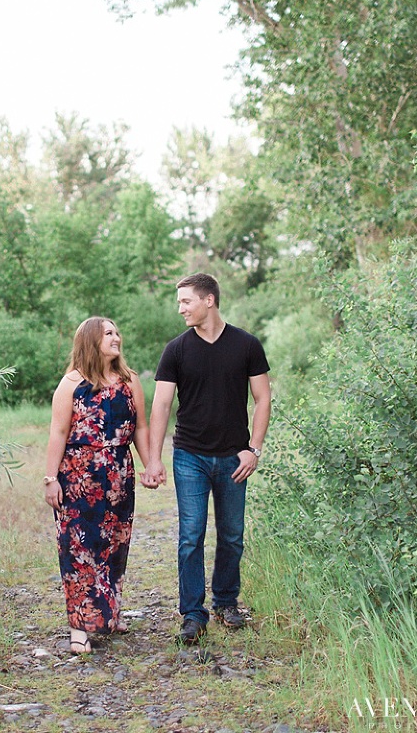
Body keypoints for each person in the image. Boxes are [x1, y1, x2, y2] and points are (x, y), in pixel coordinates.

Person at [141, 273, 271, 645]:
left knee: (232, 535)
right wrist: (154, 459)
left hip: (234, 457)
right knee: (191, 536)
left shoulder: (246, 344)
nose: (180, 308)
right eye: (179, 302)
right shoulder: (176, 350)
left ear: (209, 300)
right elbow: (161, 404)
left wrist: (254, 448)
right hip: (189, 456)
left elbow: (263, 398)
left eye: (186, 301)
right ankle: (193, 613)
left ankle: (226, 602)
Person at [44, 317, 150, 655]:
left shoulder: (129, 380)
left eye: (117, 332)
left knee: (114, 545)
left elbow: (141, 429)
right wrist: (50, 479)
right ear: (92, 340)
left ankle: (109, 614)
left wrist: (153, 465)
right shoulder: (71, 384)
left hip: (119, 474)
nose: (117, 337)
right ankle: (79, 627)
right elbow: (58, 433)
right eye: (109, 333)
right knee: (78, 550)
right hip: (78, 476)